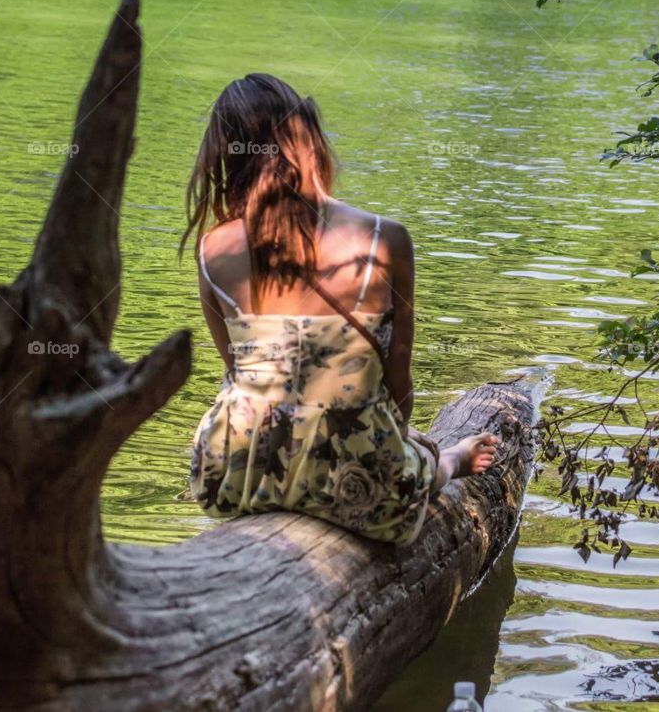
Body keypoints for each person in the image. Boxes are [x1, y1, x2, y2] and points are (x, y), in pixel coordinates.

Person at [184, 74, 499, 544]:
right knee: (418, 458)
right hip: (362, 487)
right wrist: (395, 433)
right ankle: (451, 460)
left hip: (235, 475)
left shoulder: (212, 249)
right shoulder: (385, 239)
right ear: (309, 138)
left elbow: (239, 375)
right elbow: (399, 384)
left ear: (225, 155)